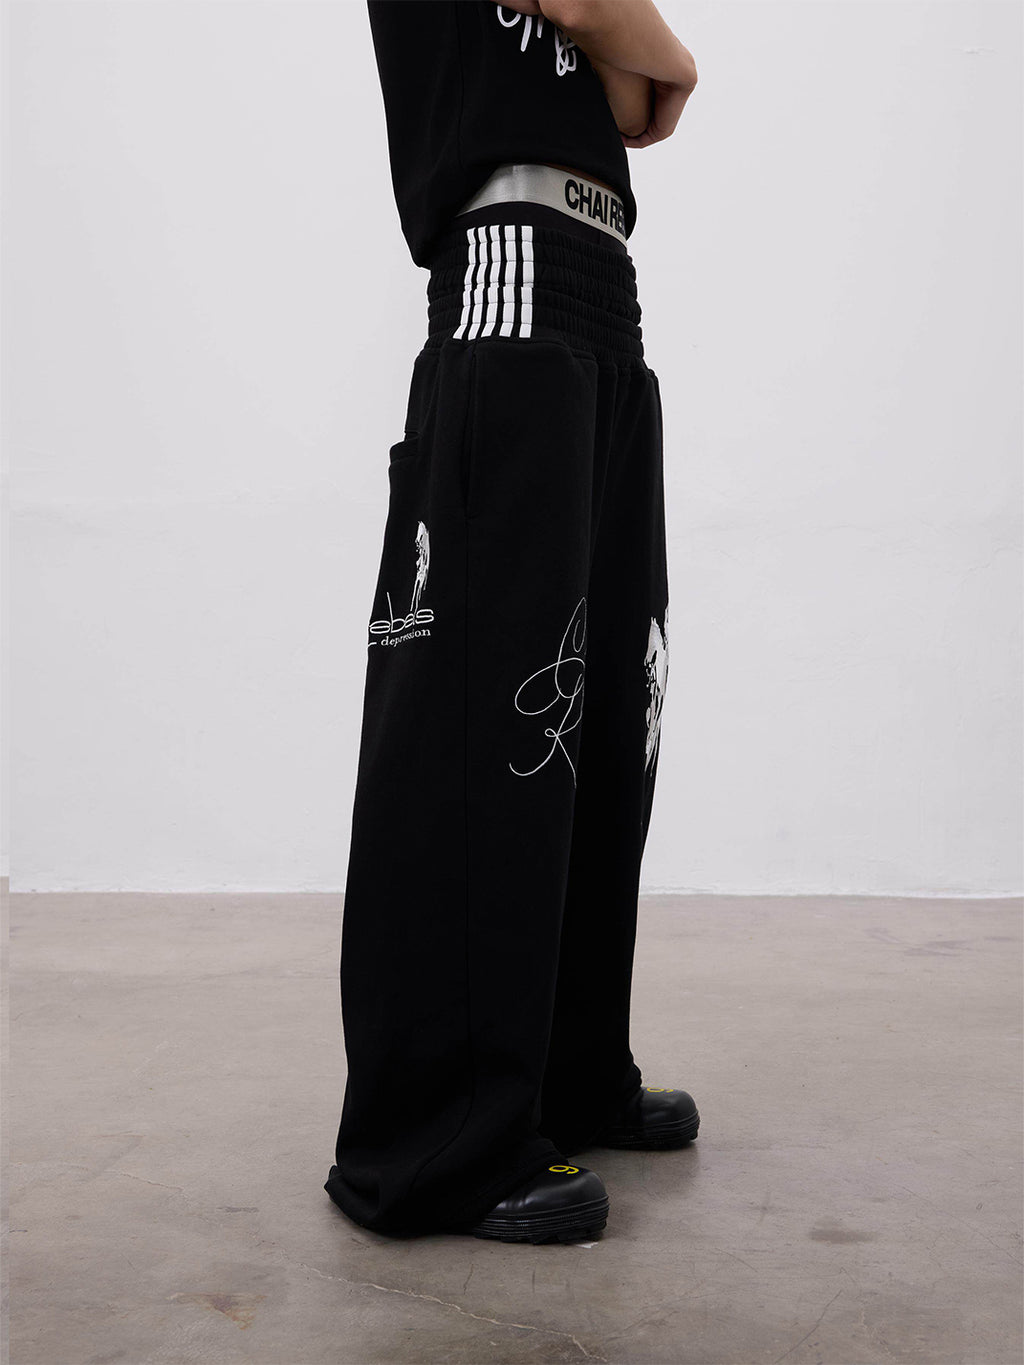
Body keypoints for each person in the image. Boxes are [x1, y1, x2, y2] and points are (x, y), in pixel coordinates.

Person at [324, 0, 699, 1244]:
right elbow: (626, 50)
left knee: (604, 723)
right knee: (492, 728)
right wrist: (670, 53)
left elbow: (631, 107)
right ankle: (438, 1139)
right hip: (509, 274)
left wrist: (640, 63)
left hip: (599, 289)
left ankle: (564, 1075)